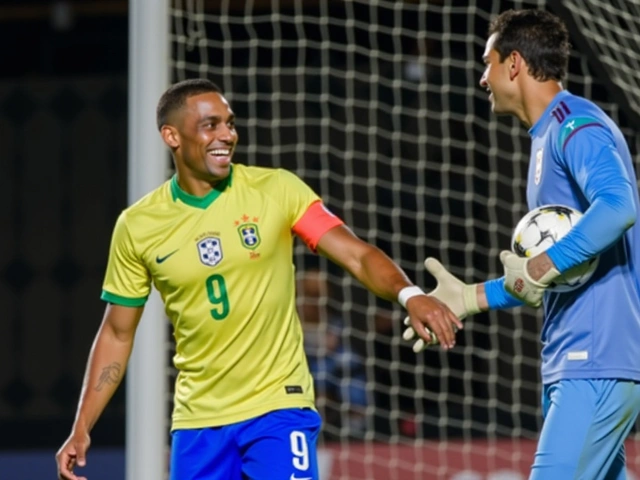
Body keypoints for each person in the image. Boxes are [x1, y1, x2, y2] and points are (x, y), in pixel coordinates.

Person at [55, 78, 461, 480]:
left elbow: (355, 254)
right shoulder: (138, 226)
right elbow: (117, 333)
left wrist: (409, 294)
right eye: (210, 124)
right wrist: (82, 426)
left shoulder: (276, 189)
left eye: (229, 123)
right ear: (171, 136)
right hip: (199, 423)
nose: (227, 135)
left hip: (278, 409)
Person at [404, 9, 640, 480]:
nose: (481, 77)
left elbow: (618, 207)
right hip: (575, 359)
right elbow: (558, 273)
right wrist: (473, 297)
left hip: (594, 357)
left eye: (487, 62)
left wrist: (538, 268)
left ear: (514, 64)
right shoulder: (547, 134)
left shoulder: (575, 123)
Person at [297, 269, 368, 436]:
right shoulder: (291, 320)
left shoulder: (334, 321)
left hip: (334, 370)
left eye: (320, 294)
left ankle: (356, 427)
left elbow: (332, 346)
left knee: (348, 365)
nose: (316, 300)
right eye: (311, 294)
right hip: (305, 369)